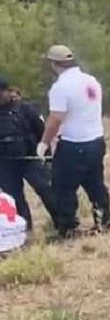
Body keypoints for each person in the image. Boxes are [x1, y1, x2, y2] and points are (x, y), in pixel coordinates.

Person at [38, 44, 110, 238]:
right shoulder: (91, 81)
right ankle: (103, 222)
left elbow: (55, 118)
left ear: (54, 64)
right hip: (96, 140)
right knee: (95, 184)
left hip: (74, 143)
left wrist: (44, 143)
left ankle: (68, 228)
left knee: (63, 187)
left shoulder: (61, 87)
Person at [0, 77, 55, 232]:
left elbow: (41, 131)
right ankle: (25, 231)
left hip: (29, 158)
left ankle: (63, 224)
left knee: (46, 190)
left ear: (6, 91)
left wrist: (46, 155)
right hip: (4, 163)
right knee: (14, 198)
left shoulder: (24, 108)